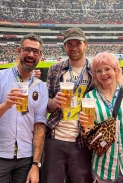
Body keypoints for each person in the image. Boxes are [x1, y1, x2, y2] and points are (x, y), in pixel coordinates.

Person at [0, 33, 47, 183]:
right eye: (27, 50)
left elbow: (39, 126)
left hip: (26, 158)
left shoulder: (41, 87)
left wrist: (36, 165)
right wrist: (6, 105)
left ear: (39, 56)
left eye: (35, 51)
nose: (31, 55)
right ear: (19, 51)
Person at [79, 52, 123, 182]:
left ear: (116, 70)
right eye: (99, 71)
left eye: (107, 69)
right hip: (103, 166)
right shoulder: (90, 97)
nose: (103, 74)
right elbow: (88, 135)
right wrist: (84, 127)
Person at [43, 28, 94, 183]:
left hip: (82, 140)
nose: (73, 47)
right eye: (69, 44)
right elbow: (46, 105)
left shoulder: (95, 70)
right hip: (55, 137)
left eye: (77, 43)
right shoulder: (55, 69)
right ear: (64, 47)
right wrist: (53, 102)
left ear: (86, 44)